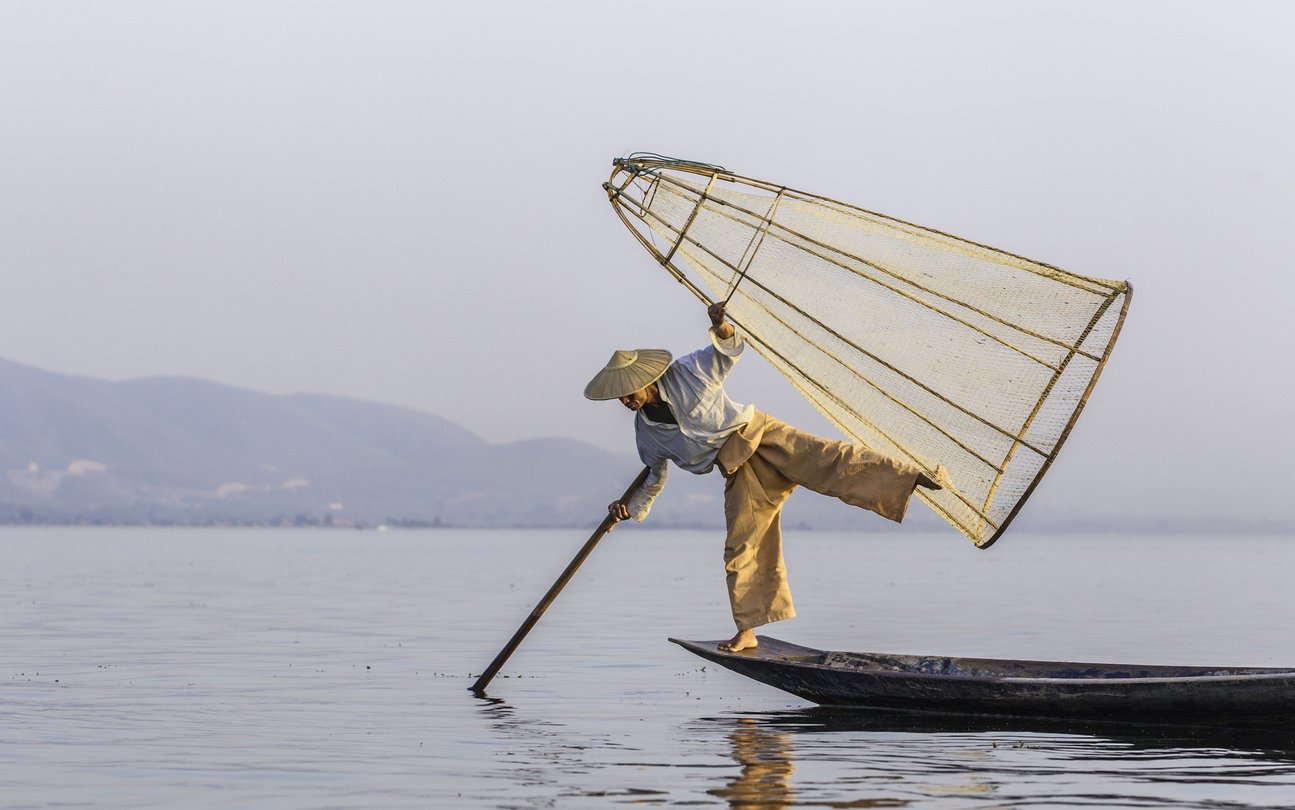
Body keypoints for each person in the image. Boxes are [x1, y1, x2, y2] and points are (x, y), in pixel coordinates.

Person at [584, 301, 947, 652]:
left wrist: (721, 326)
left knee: (831, 459)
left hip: (759, 434)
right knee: (740, 548)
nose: (625, 400)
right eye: (619, 397)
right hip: (739, 471)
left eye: (628, 392)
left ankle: (912, 477)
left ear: (646, 380)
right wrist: (628, 510)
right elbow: (654, 476)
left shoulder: (688, 372)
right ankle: (748, 632)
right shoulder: (646, 432)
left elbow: (727, 353)